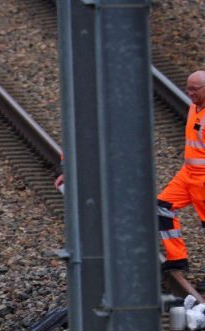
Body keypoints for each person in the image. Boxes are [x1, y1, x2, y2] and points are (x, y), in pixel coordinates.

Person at [54, 70, 205, 271]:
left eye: (194, 89)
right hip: (188, 175)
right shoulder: (194, 108)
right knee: (162, 207)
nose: (189, 93)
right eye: (188, 88)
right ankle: (177, 257)